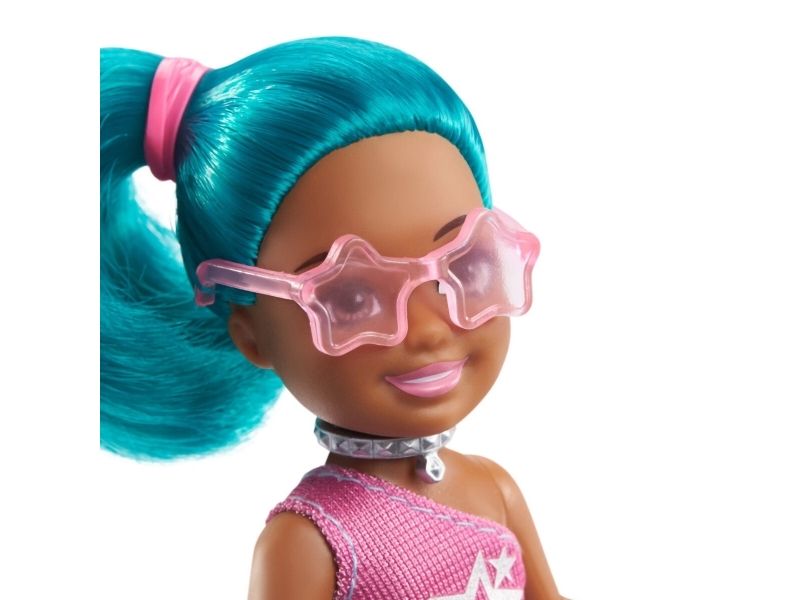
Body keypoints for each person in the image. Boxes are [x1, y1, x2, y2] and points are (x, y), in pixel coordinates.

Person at [101, 36, 565, 599]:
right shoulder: (314, 540)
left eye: (464, 266)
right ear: (253, 334)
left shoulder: (496, 491)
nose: (427, 329)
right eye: (353, 297)